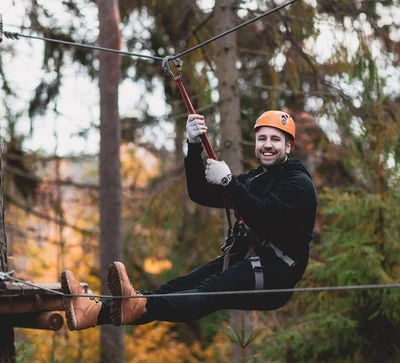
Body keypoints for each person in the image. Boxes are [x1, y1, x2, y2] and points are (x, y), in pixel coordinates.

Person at [61, 110, 317, 331]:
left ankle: (123, 307)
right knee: (176, 287)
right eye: (262, 138)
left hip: (276, 274)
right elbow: (200, 192)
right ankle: (92, 313)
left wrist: (229, 182)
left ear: (288, 146)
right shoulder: (257, 178)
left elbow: (263, 217)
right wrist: (193, 146)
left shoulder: (298, 184)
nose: (268, 145)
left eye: (275, 139)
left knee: (208, 290)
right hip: (248, 260)